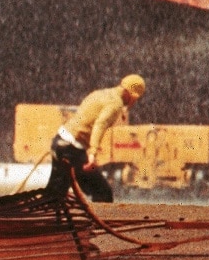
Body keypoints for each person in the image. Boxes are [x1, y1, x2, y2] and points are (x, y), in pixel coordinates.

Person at [46, 74, 147, 202]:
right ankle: (95, 221)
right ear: (129, 93)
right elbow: (99, 125)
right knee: (103, 193)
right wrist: (92, 154)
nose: (133, 102)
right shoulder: (115, 104)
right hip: (72, 149)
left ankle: (44, 219)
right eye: (134, 98)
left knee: (56, 194)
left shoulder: (101, 93)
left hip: (61, 141)